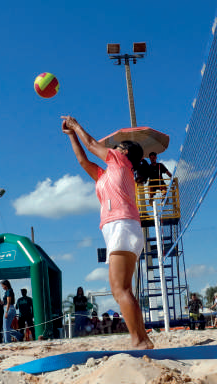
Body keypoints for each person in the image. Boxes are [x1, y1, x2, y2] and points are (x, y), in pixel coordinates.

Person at [62, 116, 154, 349]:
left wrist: (76, 125)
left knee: (119, 289)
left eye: (117, 146)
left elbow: (92, 145)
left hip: (122, 226)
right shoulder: (107, 174)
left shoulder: (120, 161)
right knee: (125, 290)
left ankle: (139, 340)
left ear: (124, 152)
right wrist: (72, 135)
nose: (112, 148)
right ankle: (143, 339)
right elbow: (83, 160)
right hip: (122, 228)